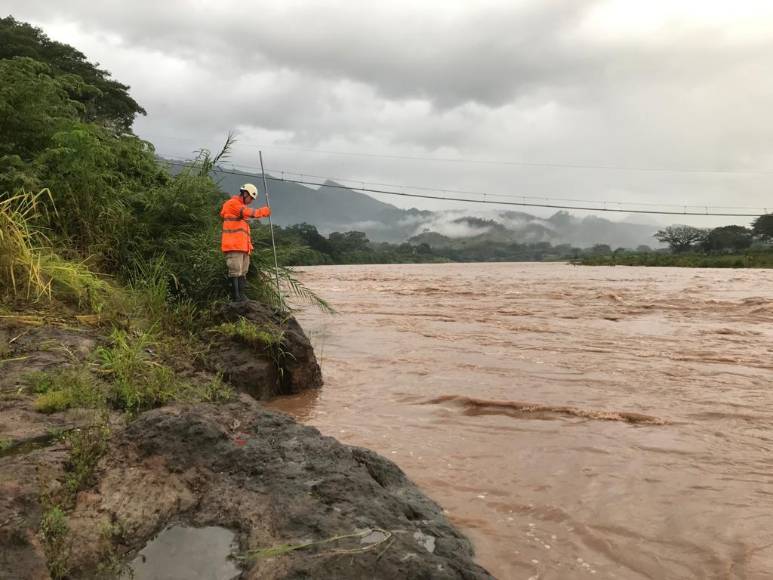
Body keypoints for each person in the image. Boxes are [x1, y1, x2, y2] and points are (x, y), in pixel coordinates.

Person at [220, 183, 271, 301]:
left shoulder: (241, 206)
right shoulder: (232, 204)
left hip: (243, 246)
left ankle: (241, 296)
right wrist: (264, 211)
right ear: (245, 193)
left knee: (243, 271)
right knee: (235, 271)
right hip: (234, 245)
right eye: (251, 198)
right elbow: (249, 213)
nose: (251, 201)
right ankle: (236, 297)